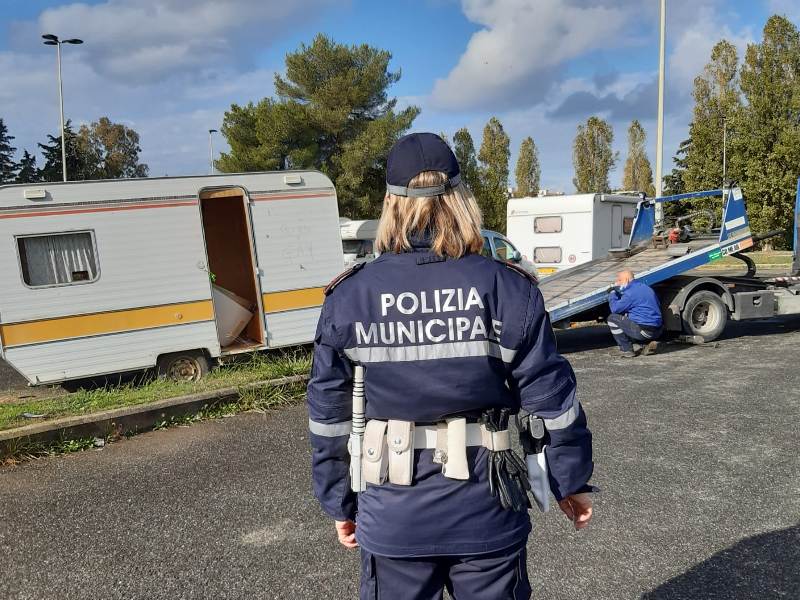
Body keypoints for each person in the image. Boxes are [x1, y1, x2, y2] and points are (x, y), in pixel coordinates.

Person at [307, 133, 595, 600]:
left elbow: (328, 416)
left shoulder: (349, 297)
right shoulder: (508, 288)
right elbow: (551, 401)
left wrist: (340, 501)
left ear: (389, 203)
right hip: (487, 510)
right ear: (461, 198)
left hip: (393, 516)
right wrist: (568, 479)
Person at [607, 270, 663, 358]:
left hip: (644, 331)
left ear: (626, 279)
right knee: (631, 317)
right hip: (658, 330)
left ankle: (627, 350)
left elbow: (615, 309)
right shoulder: (646, 288)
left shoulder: (630, 294)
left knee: (612, 318)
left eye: (619, 280)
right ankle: (645, 345)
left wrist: (612, 293)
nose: (617, 283)